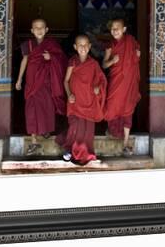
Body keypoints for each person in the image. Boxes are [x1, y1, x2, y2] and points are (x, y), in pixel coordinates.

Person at [15, 18, 67, 155]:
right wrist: (19, 79)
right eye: (36, 28)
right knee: (31, 111)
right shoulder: (28, 44)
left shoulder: (52, 45)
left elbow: (62, 60)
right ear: (32, 31)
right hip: (32, 83)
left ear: (46, 30)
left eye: (41, 27)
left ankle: (46, 129)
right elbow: (24, 61)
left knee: (47, 107)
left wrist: (52, 58)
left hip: (46, 83)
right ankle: (33, 141)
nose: (39, 30)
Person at [56, 34, 107, 165]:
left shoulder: (93, 64)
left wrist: (98, 88)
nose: (83, 48)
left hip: (89, 101)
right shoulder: (72, 62)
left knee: (87, 130)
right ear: (75, 47)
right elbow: (66, 81)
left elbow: (102, 80)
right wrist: (69, 95)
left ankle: (86, 153)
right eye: (80, 45)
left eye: (85, 45)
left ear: (89, 47)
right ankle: (69, 149)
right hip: (75, 101)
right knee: (75, 126)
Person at [102, 19, 141, 156]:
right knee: (112, 105)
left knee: (127, 109)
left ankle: (125, 142)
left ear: (124, 29)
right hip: (116, 82)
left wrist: (137, 56)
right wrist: (112, 61)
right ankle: (112, 131)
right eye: (112, 28)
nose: (114, 31)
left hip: (129, 82)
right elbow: (104, 65)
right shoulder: (110, 46)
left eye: (117, 28)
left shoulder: (131, 41)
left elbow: (135, 59)